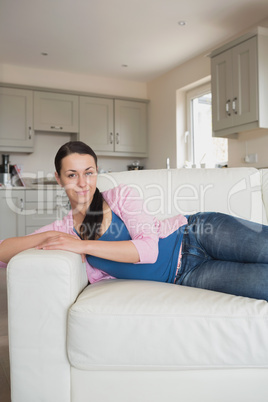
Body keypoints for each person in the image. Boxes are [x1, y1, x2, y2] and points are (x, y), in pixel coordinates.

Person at [1, 140, 268, 301]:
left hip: (196, 234)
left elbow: (149, 251)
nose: (83, 183)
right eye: (72, 175)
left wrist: (83, 246)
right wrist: (48, 237)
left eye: (89, 173)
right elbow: (3, 252)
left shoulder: (120, 197)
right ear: (58, 178)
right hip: (187, 275)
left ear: (96, 173)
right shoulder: (64, 229)